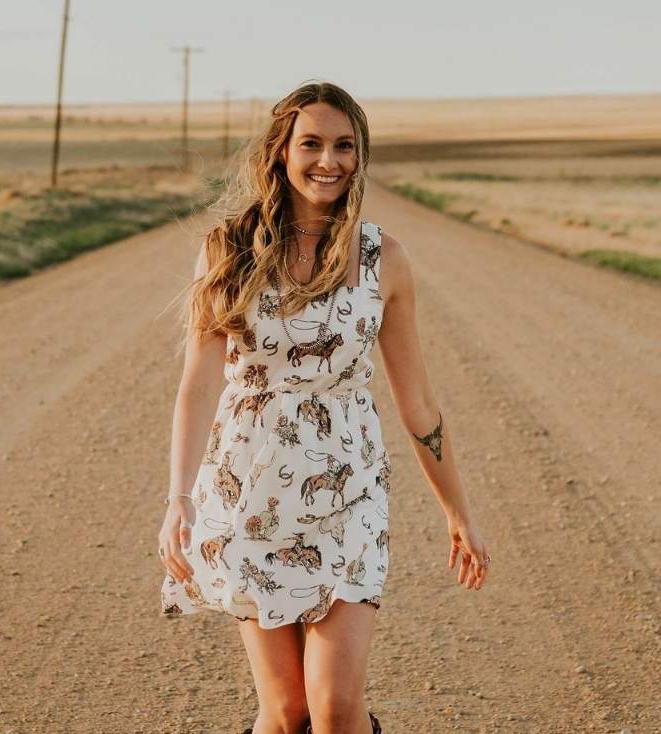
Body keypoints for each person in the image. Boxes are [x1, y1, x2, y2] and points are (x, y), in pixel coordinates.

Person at [157, 81, 490, 734]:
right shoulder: (228, 248)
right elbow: (197, 385)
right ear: (281, 151)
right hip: (248, 494)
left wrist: (459, 512)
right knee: (285, 713)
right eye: (311, 143)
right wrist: (179, 499)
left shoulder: (382, 260)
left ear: (359, 157)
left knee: (336, 708)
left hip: (350, 494)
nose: (328, 161)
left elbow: (417, 402)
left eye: (344, 146)